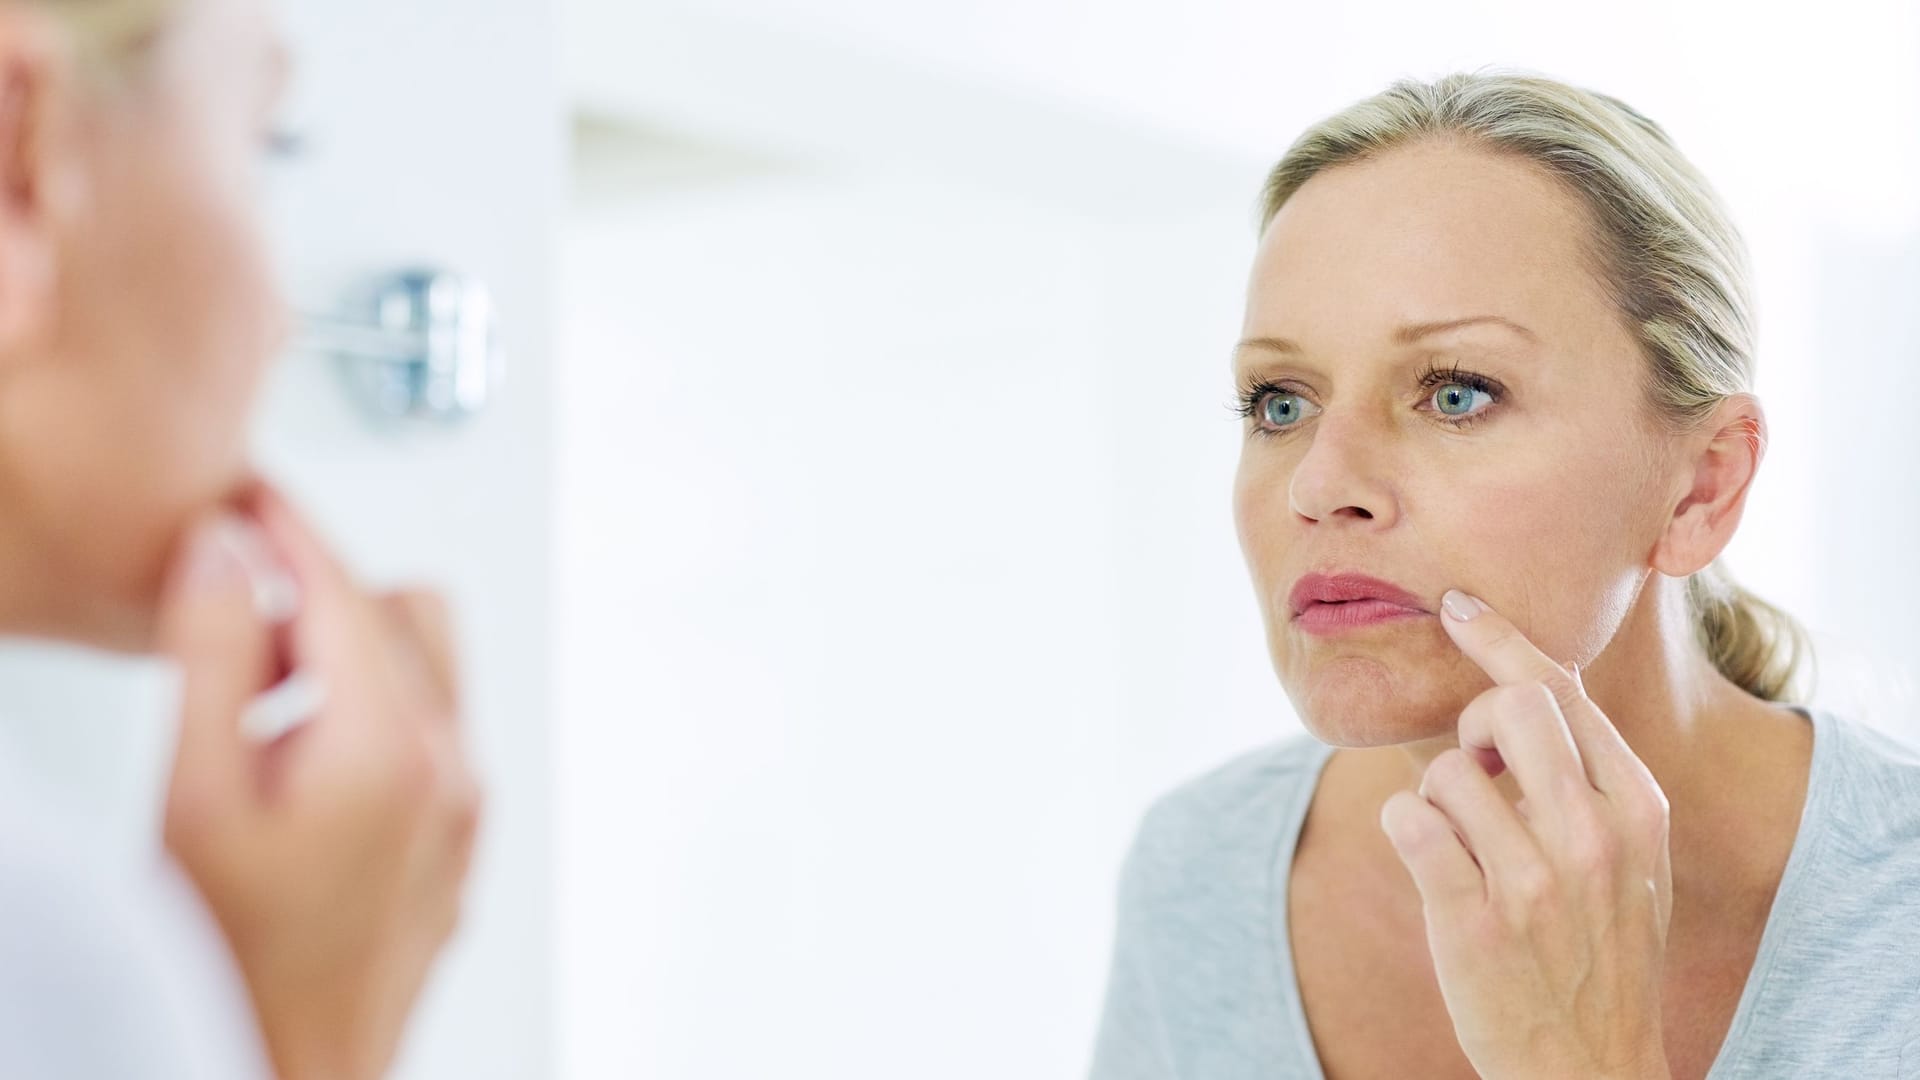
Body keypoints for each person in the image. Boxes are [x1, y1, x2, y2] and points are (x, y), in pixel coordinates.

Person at [1089, 69, 1920, 1080]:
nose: (1320, 483)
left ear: (1701, 485)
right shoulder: (1200, 872)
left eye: (1454, 393)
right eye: (1278, 403)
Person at [0, 1, 482, 1078]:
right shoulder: (42, 955)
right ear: (19, 159)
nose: (274, 320)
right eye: (264, 147)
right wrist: (299, 1034)